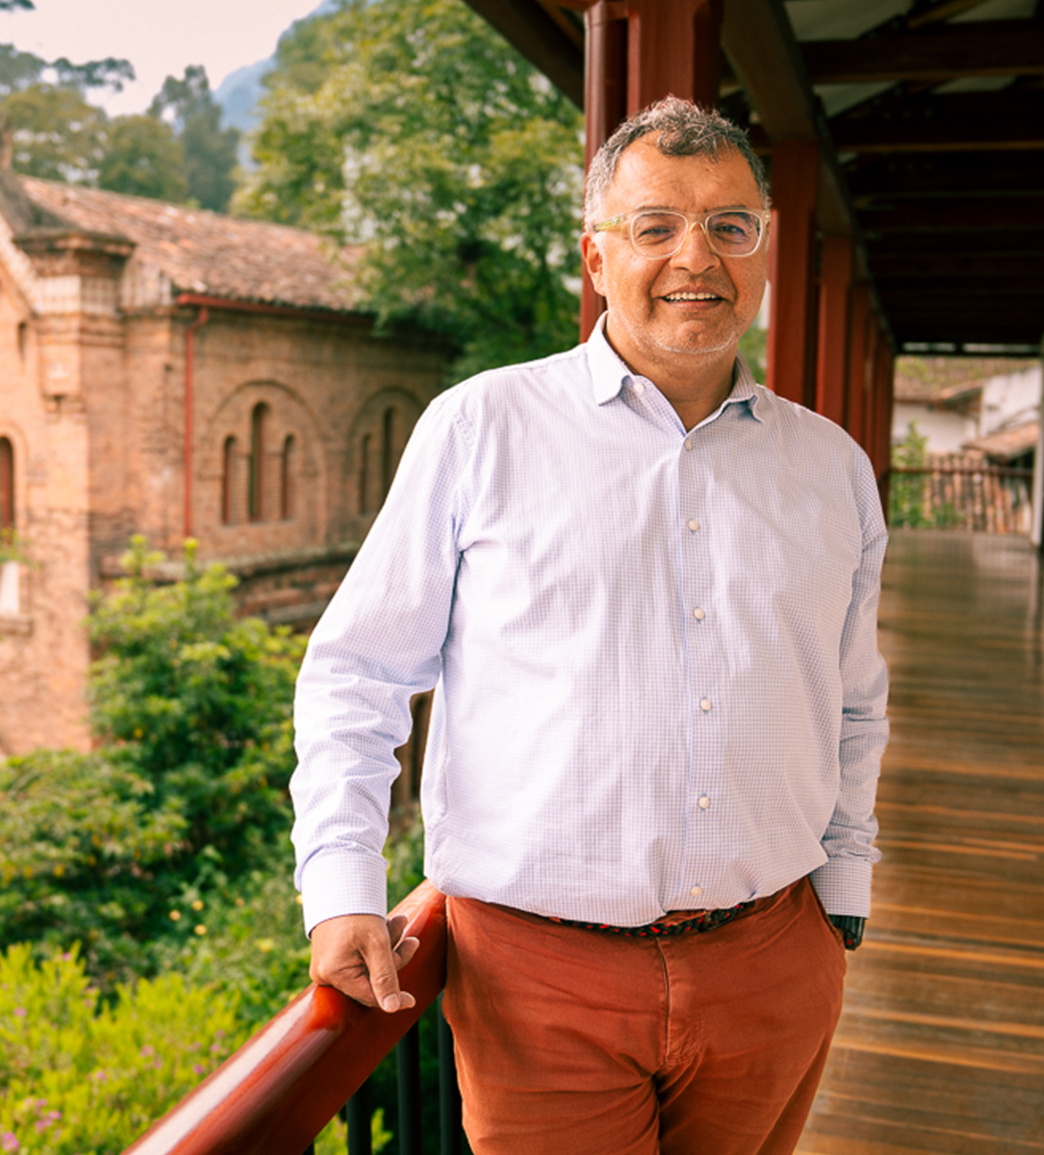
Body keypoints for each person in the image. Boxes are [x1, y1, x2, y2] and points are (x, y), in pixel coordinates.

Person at [291, 96, 888, 1155]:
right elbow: (358, 672)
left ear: (766, 249)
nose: (693, 255)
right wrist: (341, 885)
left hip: (774, 957)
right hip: (536, 981)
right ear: (596, 258)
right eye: (653, 226)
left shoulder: (832, 466)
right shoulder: (482, 429)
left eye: (728, 225)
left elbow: (852, 698)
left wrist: (842, 888)